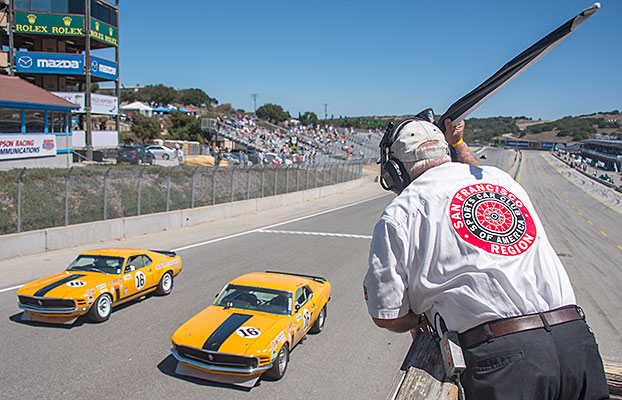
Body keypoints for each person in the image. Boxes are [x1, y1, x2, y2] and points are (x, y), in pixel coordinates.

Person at [363, 117, 609, 399]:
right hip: (577, 342)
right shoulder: (502, 181)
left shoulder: (400, 213)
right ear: (446, 152)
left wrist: (421, 321)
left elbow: (386, 314)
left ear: (395, 170)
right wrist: (458, 142)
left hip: (504, 360)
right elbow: (476, 171)